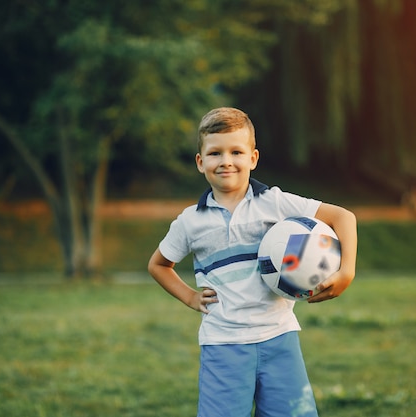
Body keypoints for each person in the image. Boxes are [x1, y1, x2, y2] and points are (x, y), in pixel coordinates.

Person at [148, 107, 357, 417]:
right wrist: (190, 296)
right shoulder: (190, 222)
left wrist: (346, 271)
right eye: (215, 153)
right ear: (200, 161)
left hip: (280, 337)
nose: (226, 161)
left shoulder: (274, 203)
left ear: (253, 158)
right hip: (223, 344)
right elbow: (159, 265)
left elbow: (343, 217)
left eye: (236, 151)